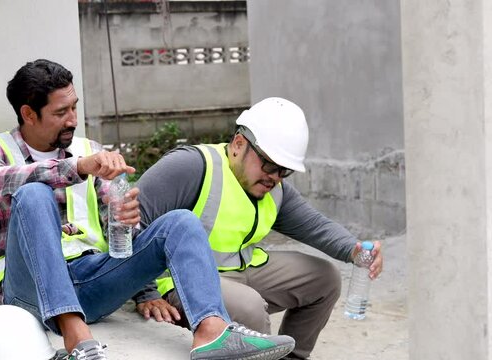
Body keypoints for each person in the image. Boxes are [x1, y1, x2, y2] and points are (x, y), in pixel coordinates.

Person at [0, 59, 296, 360]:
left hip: (90, 281)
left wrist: (126, 223)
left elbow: (121, 230)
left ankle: (212, 333)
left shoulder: (88, 149)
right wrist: (78, 167)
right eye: (60, 112)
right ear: (28, 114)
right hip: (28, 293)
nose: (72, 119)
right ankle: (76, 338)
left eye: (74, 107)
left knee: (179, 222)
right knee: (34, 194)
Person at [135, 97, 384, 360]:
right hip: (184, 282)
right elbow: (131, 221)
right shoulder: (191, 167)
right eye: (269, 165)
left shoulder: (274, 188)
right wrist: (145, 292)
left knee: (325, 278)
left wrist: (354, 250)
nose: (275, 177)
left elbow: (316, 226)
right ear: (239, 144)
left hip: (239, 270)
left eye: (284, 171)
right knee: (250, 307)